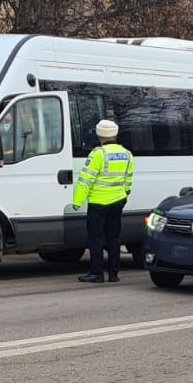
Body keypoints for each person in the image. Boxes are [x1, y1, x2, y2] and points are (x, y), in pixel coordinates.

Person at [72, 119, 134, 283]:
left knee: (96, 238)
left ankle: (96, 273)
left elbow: (85, 180)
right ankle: (114, 274)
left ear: (100, 135)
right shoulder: (127, 154)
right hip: (118, 201)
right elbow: (128, 180)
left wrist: (77, 201)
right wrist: (124, 194)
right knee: (114, 238)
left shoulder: (98, 154)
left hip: (98, 203)